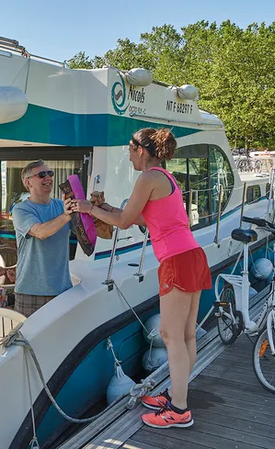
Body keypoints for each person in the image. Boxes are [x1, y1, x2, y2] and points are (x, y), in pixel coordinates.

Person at [74, 128, 211, 429]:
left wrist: (89, 208)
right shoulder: (164, 177)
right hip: (191, 254)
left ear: (140, 150)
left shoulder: (148, 178)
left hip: (176, 259)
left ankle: (179, 409)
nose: (128, 156)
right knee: (186, 334)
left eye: (129, 150)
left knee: (171, 335)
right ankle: (177, 394)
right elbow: (139, 217)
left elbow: (123, 222)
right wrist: (105, 208)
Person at [11, 160, 76, 317]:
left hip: (62, 290)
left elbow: (87, 232)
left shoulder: (61, 206)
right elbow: (41, 232)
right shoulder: (21, 210)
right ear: (28, 183)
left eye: (50, 173)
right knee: (28, 334)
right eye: (41, 175)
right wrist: (66, 216)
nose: (48, 178)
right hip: (30, 292)